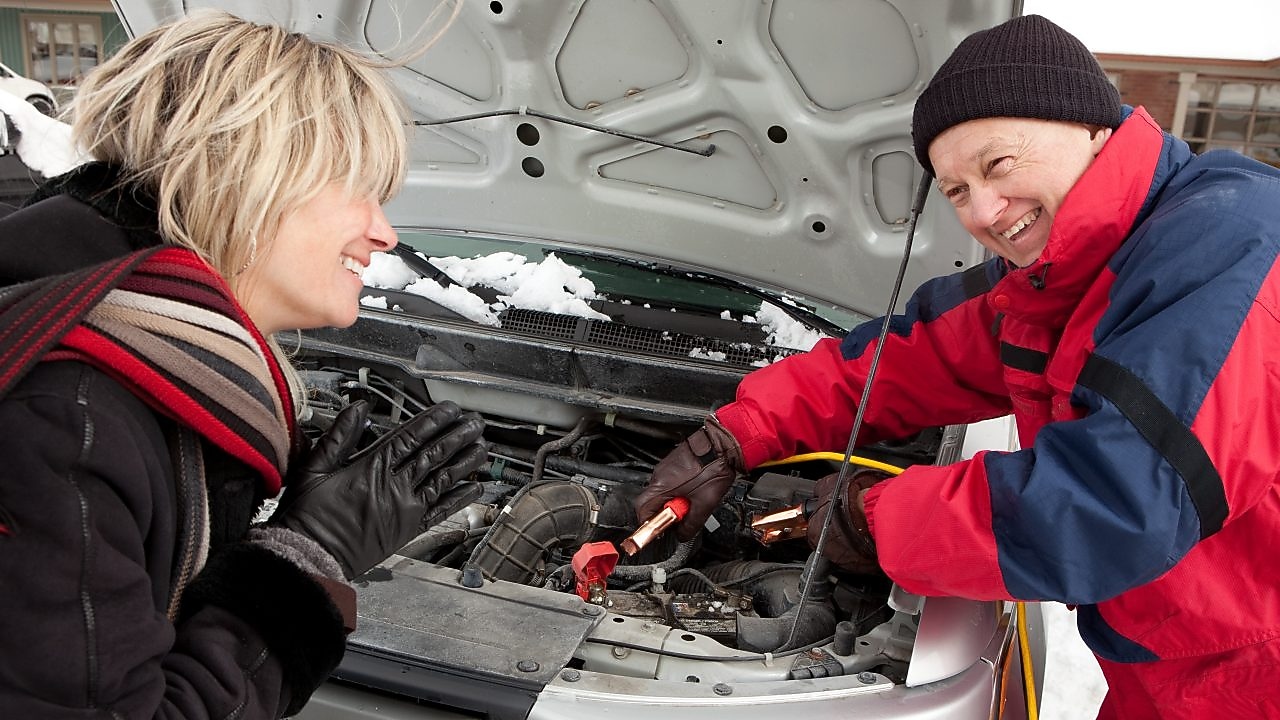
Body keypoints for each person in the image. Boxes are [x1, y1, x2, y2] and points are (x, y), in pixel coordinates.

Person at [635, 13, 1280, 718]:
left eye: (997, 165)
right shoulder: (1066, 272)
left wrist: (874, 518)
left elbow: (1117, 506)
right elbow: (913, 353)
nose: (985, 210)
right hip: (1180, 667)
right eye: (956, 191)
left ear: (1095, 126)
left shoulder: (1229, 249)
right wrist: (733, 435)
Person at [0, 10, 488, 718]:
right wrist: (303, 559)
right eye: (360, 189)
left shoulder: (145, 362)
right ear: (251, 174)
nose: (383, 232)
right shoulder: (62, 417)